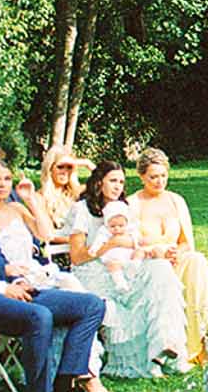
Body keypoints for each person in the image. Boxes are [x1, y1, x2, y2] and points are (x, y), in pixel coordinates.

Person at [0, 134, 106, 392]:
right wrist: (0, 286)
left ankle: (61, 391)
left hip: (5, 288)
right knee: (39, 315)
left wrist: (12, 275)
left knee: (90, 305)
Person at [0, 153, 109, 392]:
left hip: (39, 274)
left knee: (92, 305)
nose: (3, 184)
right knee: (69, 308)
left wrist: (31, 200)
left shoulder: (16, 208)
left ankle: (70, 380)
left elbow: (45, 234)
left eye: (7, 179)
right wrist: (8, 276)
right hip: (9, 286)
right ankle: (65, 387)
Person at [65, 160, 189, 377]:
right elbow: (76, 257)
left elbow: (136, 242)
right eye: (112, 181)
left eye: (121, 182)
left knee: (161, 270)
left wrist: (153, 251)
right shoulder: (82, 210)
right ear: (98, 182)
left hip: (125, 266)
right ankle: (143, 357)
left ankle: (165, 343)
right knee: (139, 284)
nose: (117, 186)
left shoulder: (123, 209)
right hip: (93, 272)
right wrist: (110, 245)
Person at [128, 147, 208, 364]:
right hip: (146, 263)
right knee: (163, 270)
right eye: (153, 177)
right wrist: (155, 252)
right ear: (141, 176)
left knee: (198, 261)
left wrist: (176, 253)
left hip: (176, 259)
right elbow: (129, 245)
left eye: (163, 176)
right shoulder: (132, 204)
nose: (159, 181)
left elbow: (187, 242)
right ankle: (172, 345)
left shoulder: (176, 201)